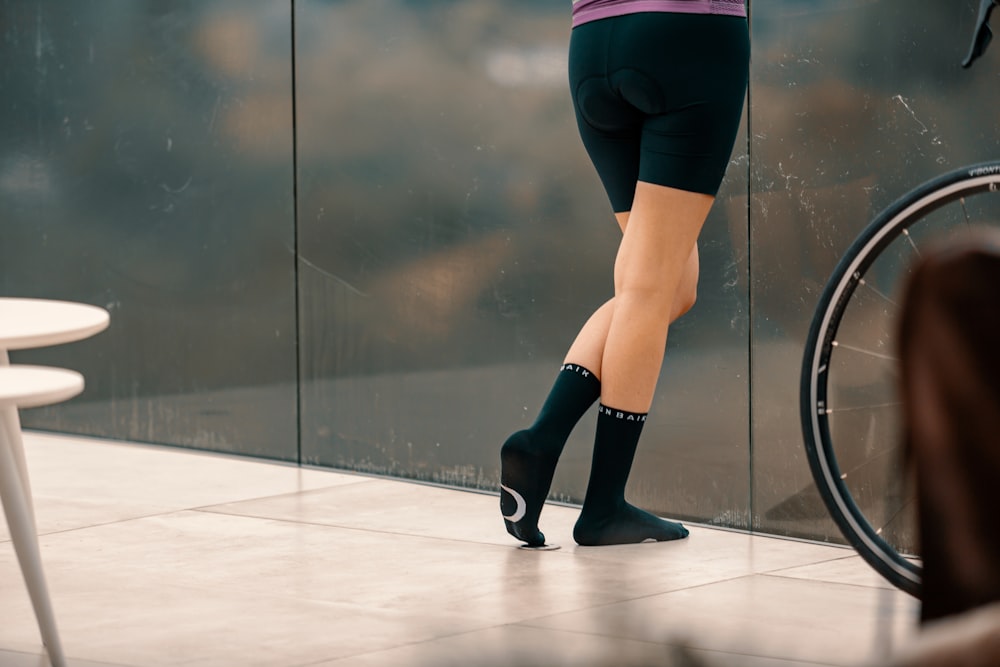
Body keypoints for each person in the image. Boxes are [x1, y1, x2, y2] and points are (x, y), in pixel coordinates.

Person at [499, 0, 750, 547]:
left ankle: (542, 439)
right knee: (650, 286)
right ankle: (603, 506)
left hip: (593, 43)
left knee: (668, 284)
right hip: (688, 35)